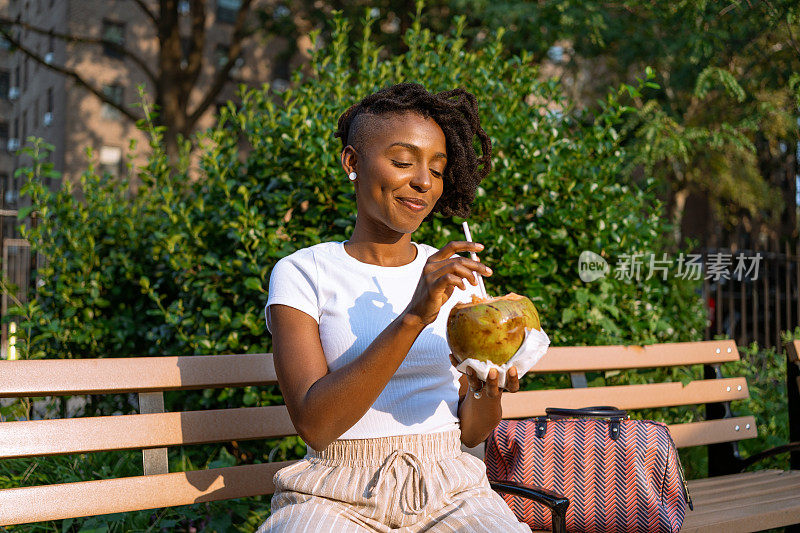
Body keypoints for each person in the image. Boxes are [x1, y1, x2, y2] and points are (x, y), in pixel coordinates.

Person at [257, 82, 530, 532]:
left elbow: (472, 432)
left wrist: (488, 391)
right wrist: (414, 317)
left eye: (438, 170)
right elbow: (316, 424)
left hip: (450, 489)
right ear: (352, 162)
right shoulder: (303, 272)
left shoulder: (455, 277)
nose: (423, 181)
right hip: (336, 492)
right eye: (403, 162)